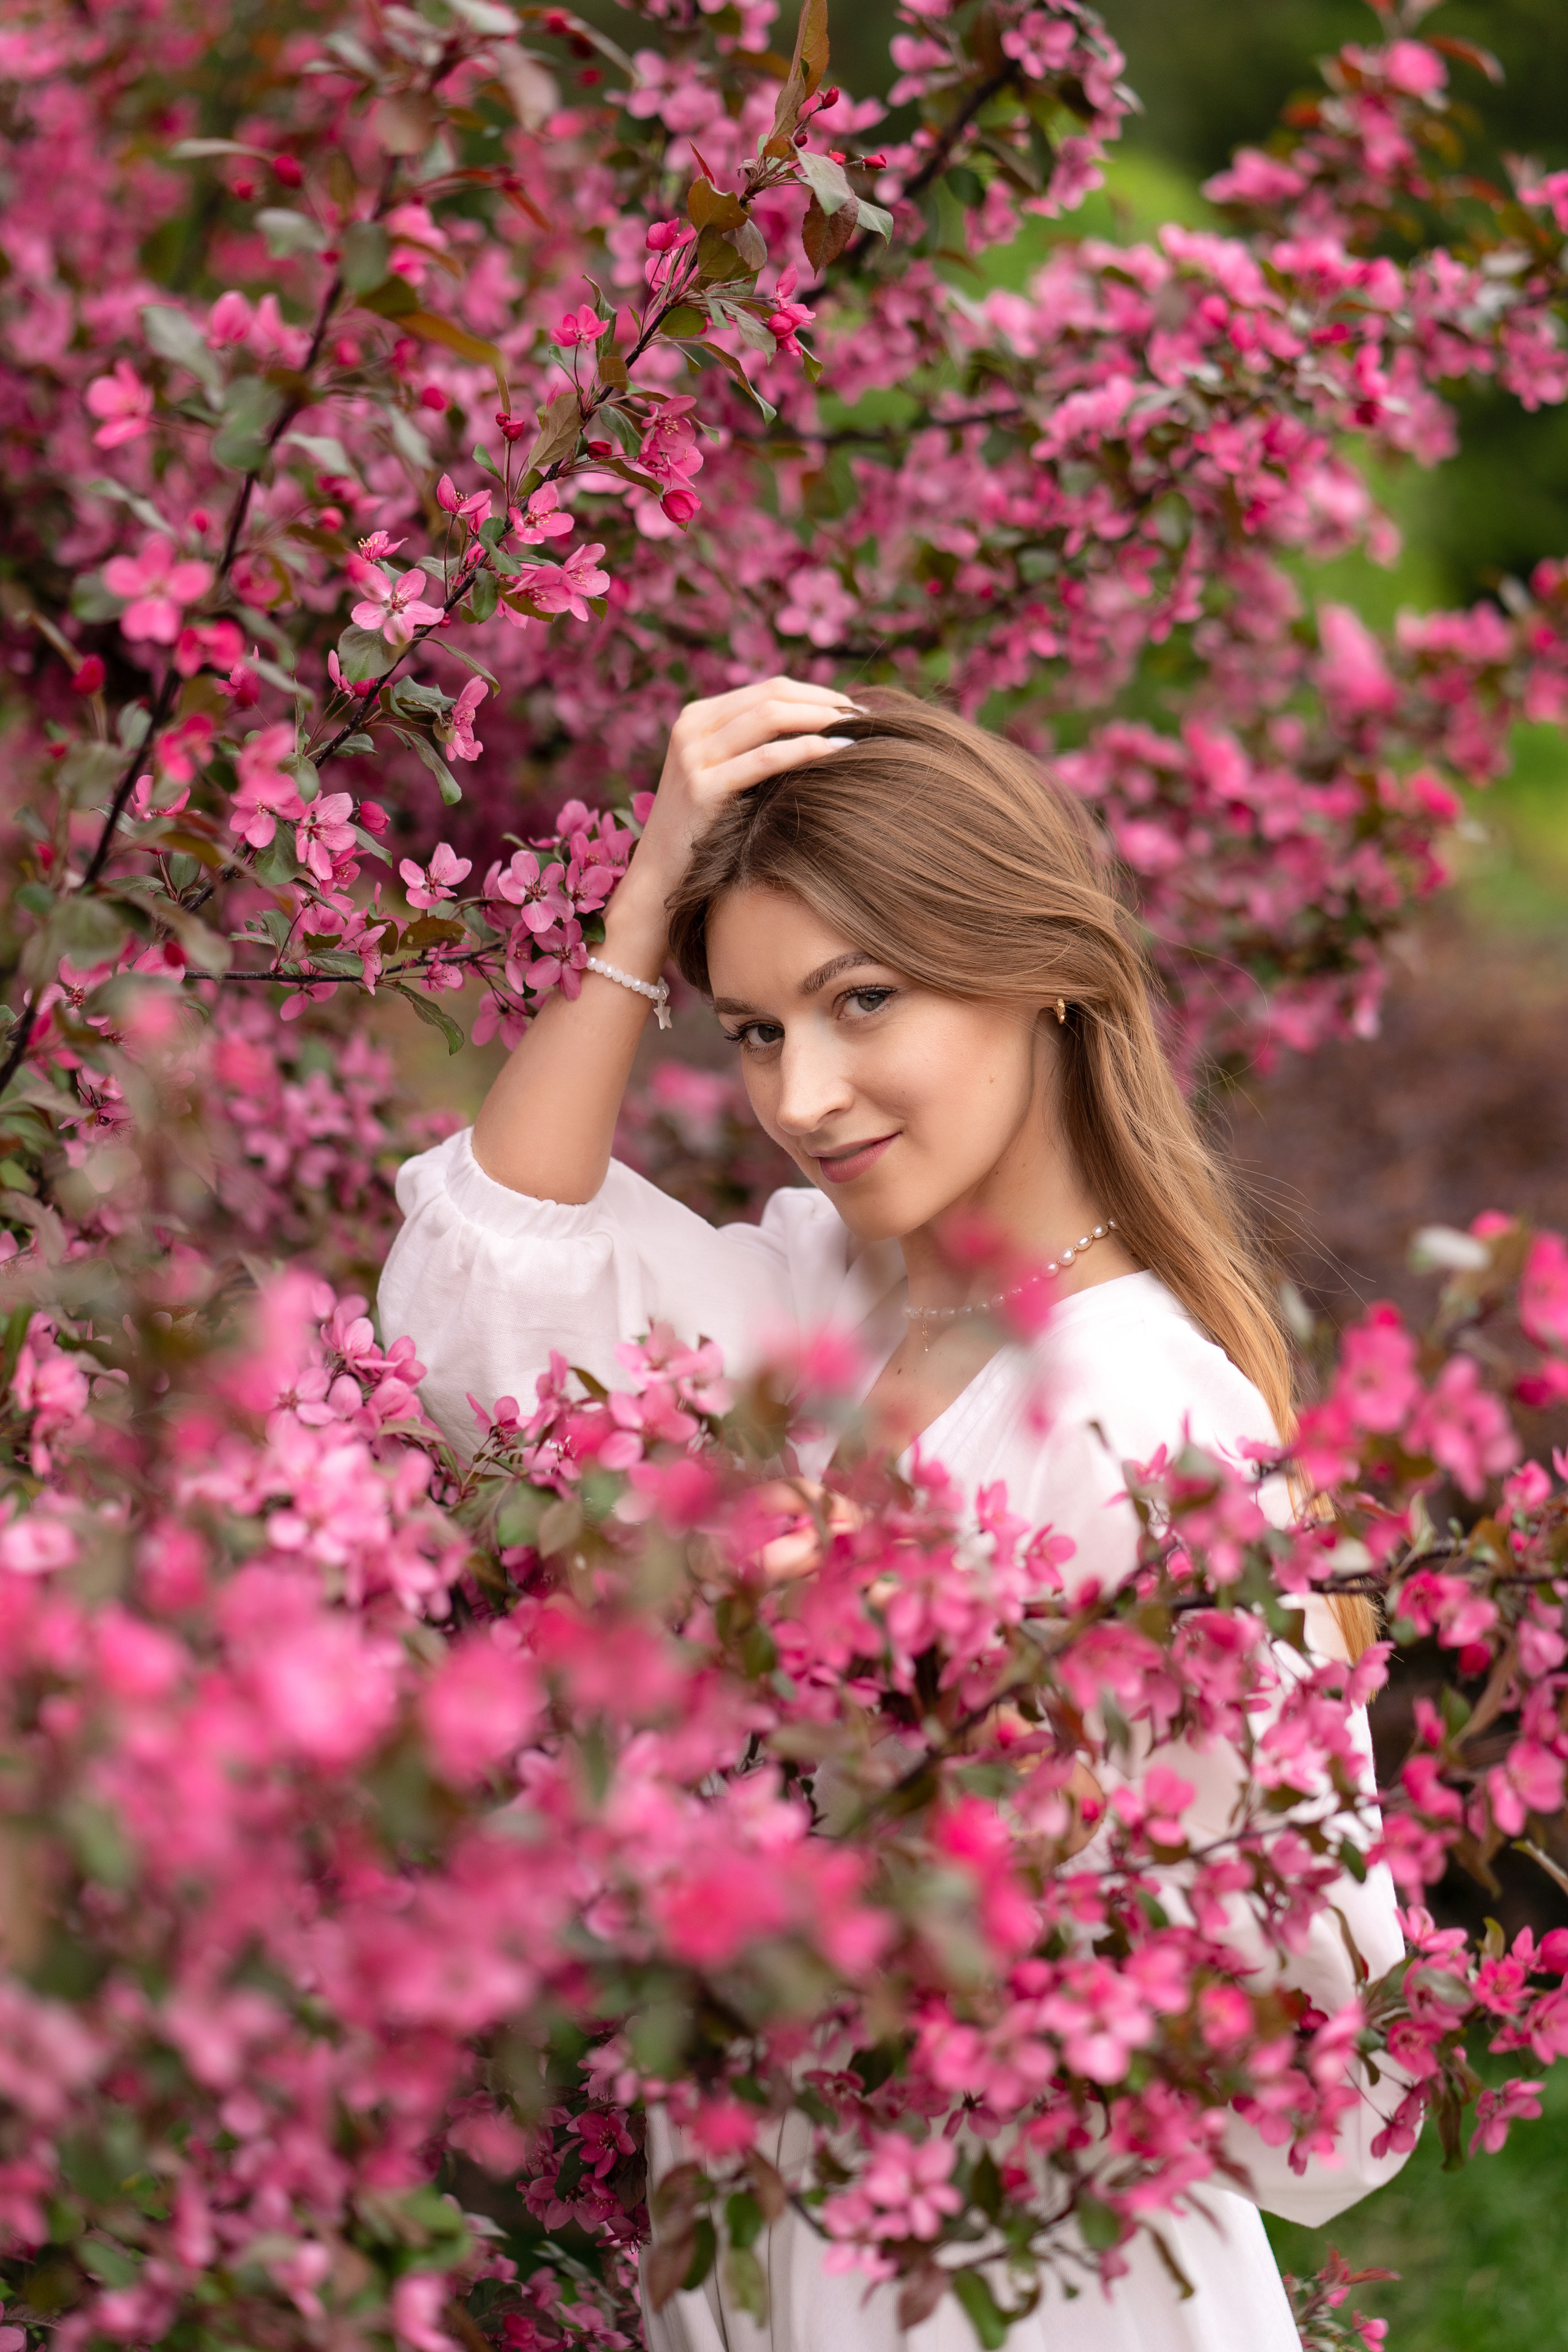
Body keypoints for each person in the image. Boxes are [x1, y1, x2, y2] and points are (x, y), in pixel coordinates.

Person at [379, 679, 1411, 2352]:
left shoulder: (1143, 1409)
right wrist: (639, 905)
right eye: (760, 1029)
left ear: (1047, 982)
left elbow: (1289, 2007)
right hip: (762, 2227)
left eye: (863, 1001)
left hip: (1025, 2270)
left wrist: (923, 1720)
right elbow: (477, 1315)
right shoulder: (816, 1300)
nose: (806, 1090)